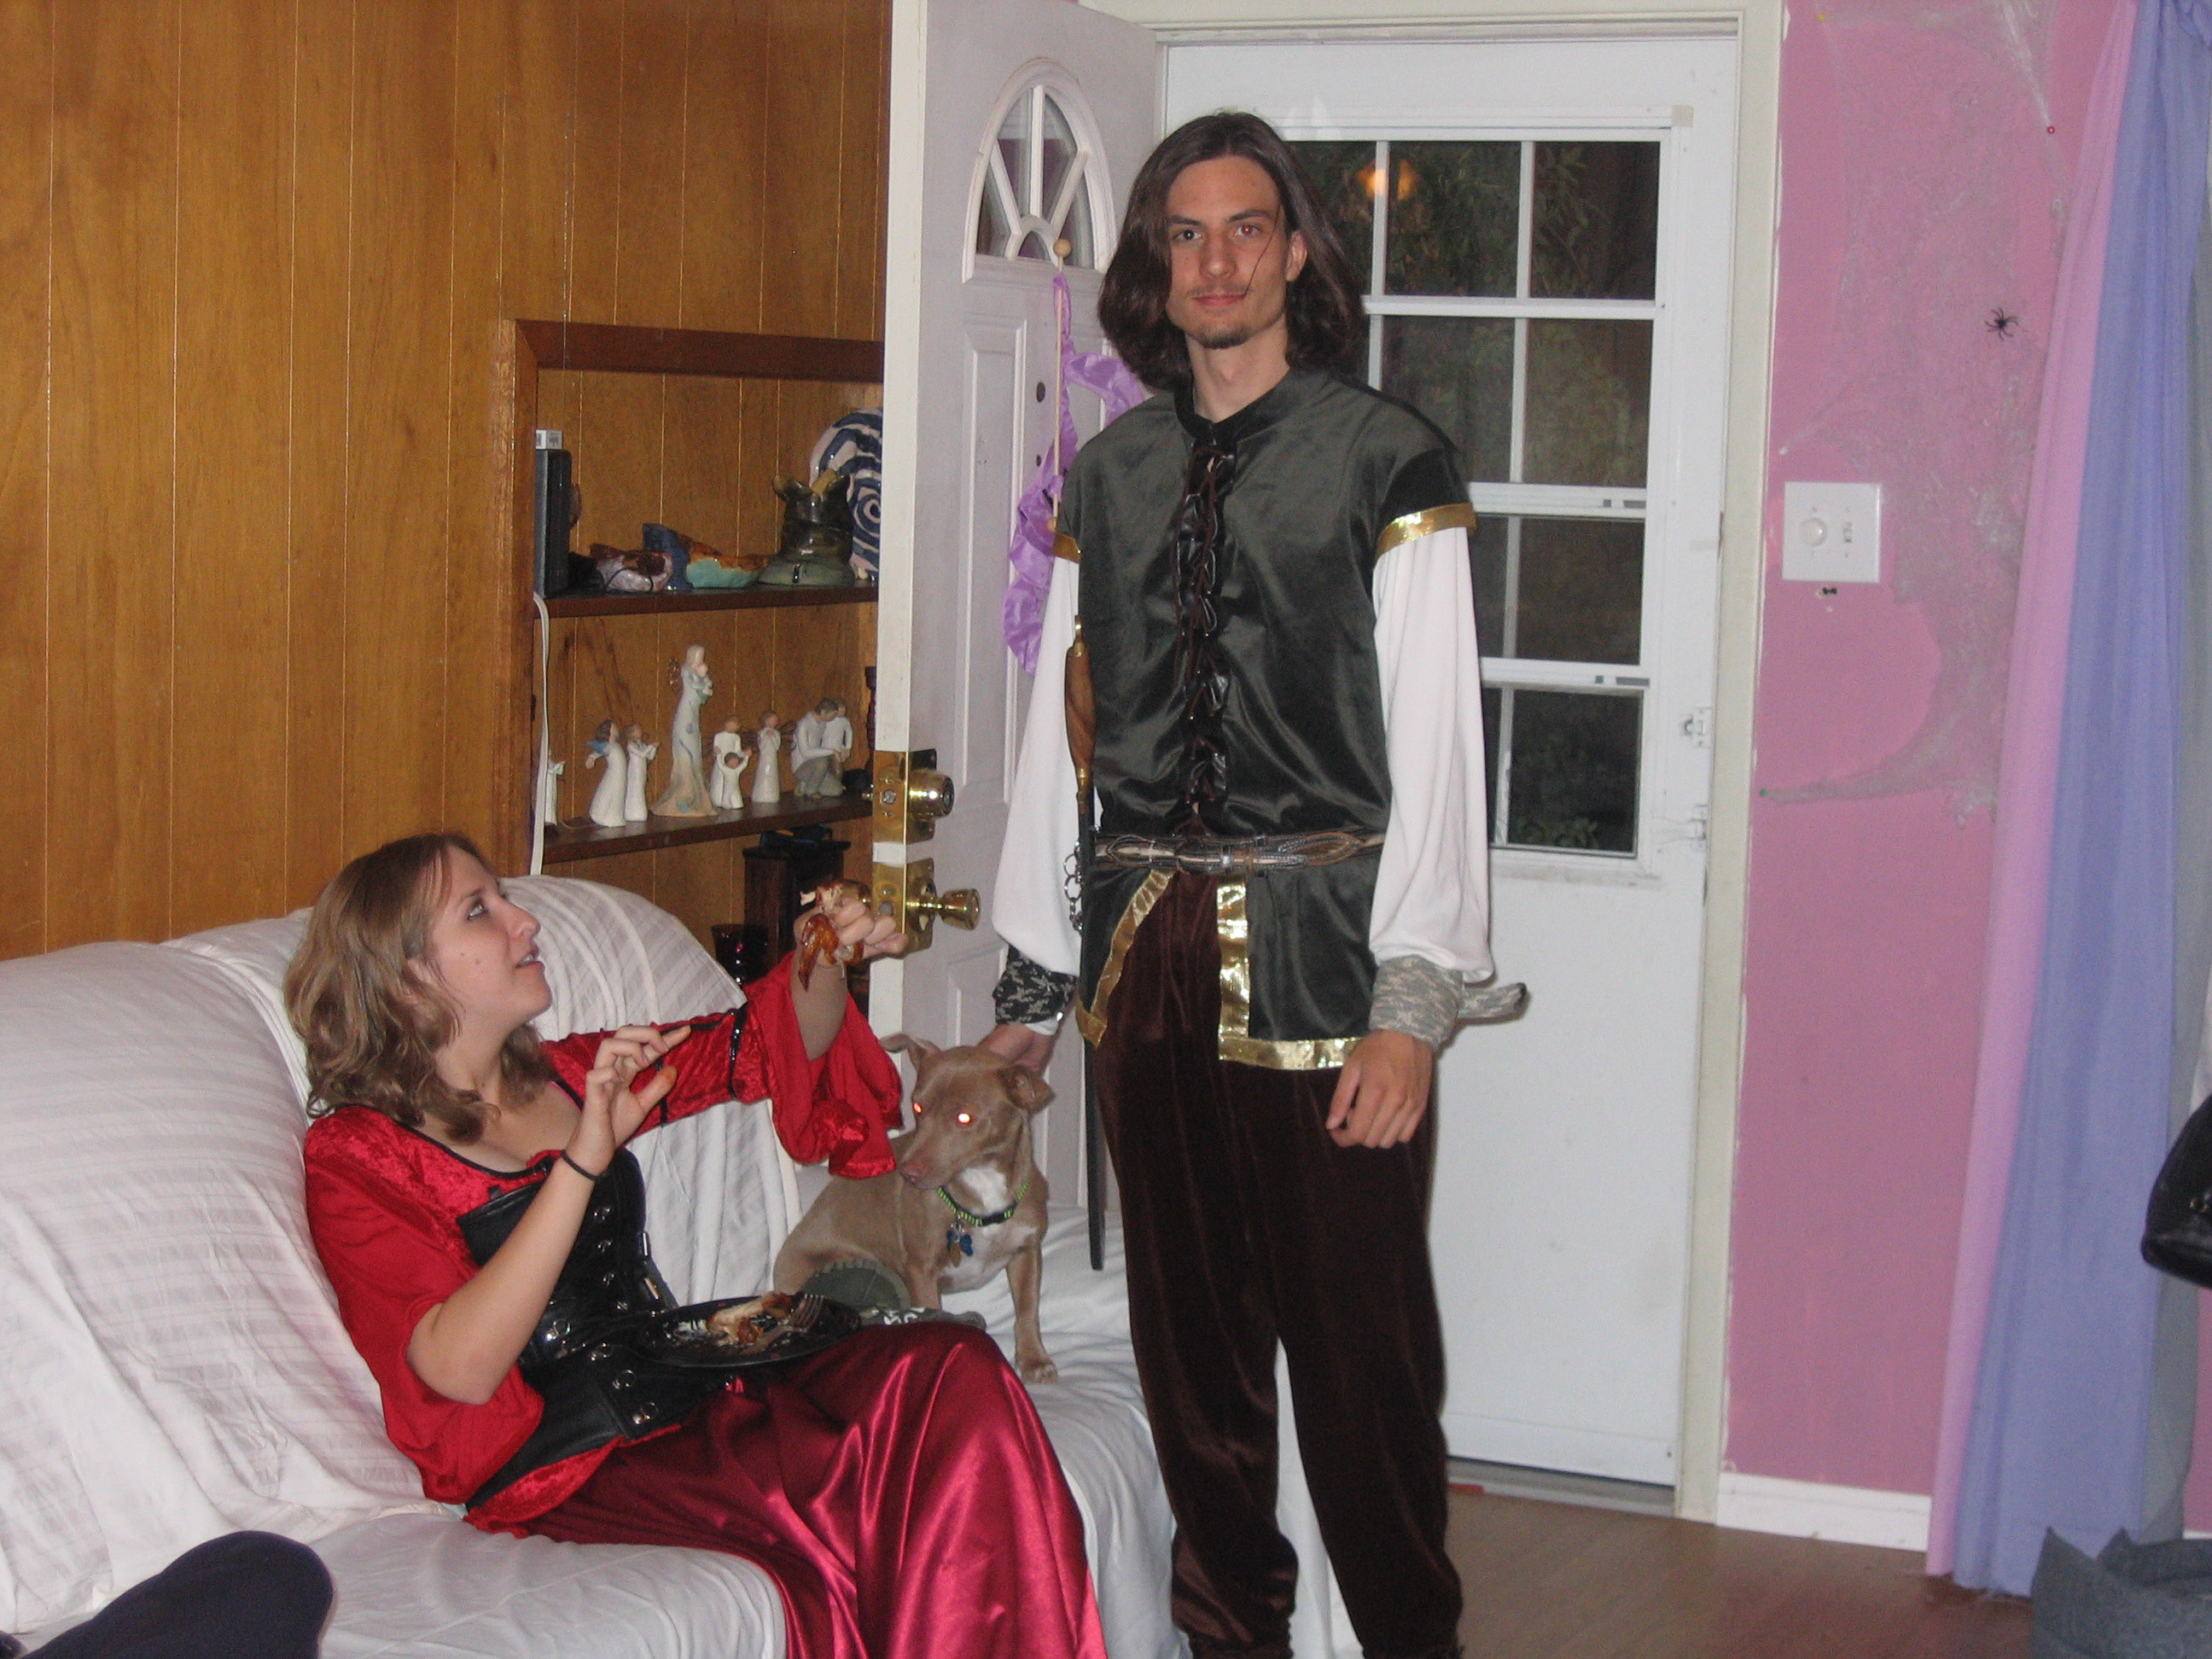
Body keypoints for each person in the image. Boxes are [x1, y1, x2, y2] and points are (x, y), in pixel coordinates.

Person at [987, 112, 1501, 1659]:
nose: (1215, 262)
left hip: (1327, 971)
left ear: (1293, 255)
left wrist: (1413, 1002)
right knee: (1192, 1366)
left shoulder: (1384, 459)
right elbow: (1061, 742)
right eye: (1184, 235)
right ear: (1157, 267)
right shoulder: (1107, 476)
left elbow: (1435, 741)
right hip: (1145, 970)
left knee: (1362, 1362)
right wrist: (1034, 984)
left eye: (1245, 229)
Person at [288, 833, 1104, 1659]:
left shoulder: (570, 1073)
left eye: (504, 898)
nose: (523, 921)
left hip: (691, 1385)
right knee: (843, 1502)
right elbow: (458, 1367)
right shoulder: (360, 1155)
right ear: (407, 976)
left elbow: (767, 1045)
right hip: (571, 1467)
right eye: (479, 911)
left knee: (949, 1367)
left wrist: (822, 956)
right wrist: (583, 1160)